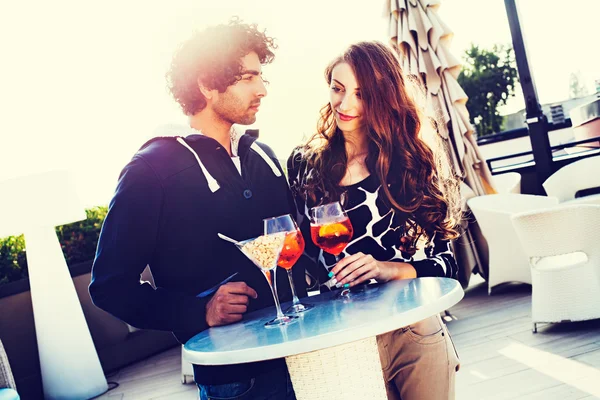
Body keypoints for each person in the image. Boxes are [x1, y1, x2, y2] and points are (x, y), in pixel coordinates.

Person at [89, 19, 303, 400]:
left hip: (307, 354)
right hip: (237, 379)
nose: (262, 90)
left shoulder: (263, 155)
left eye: (261, 76)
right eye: (248, 77)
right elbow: (109, 286)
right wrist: (199, 311)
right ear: (207, 83)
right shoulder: (150, 170)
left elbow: (295, 243)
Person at [287, 41, 462, 400]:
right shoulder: (303, 166)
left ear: (383, 97)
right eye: (337, 89)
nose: (345, 104)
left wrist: (386, 268)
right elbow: (298, 262)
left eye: (361, 94)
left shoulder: (411, 164)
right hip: (341, 344)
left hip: (413, 332)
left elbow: (448, 266)